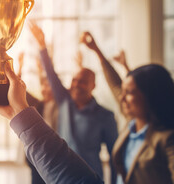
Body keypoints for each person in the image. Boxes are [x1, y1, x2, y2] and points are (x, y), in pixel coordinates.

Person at [29, 21, 118, 183]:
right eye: (74, 80)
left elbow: (114, 157)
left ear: (93, 86)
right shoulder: (65, 102)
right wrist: (42, 45)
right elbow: (51, 74)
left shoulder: (105, 116)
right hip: (60, 177)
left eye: (83, 81)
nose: (77, 84)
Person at [81, 32, 174, 184]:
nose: (122, 98)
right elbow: (115, 84)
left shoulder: (167, 139)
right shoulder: (132, 124)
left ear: (151, 96)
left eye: (129, 93)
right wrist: (97, 51)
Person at [0, 63, 103, 184]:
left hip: (56, 155)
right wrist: (20, 70)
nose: (46, 89)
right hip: (41, 155)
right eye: (43, 86)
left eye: (49, 86)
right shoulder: (38, 105)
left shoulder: (62, 105)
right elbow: (20, 94)